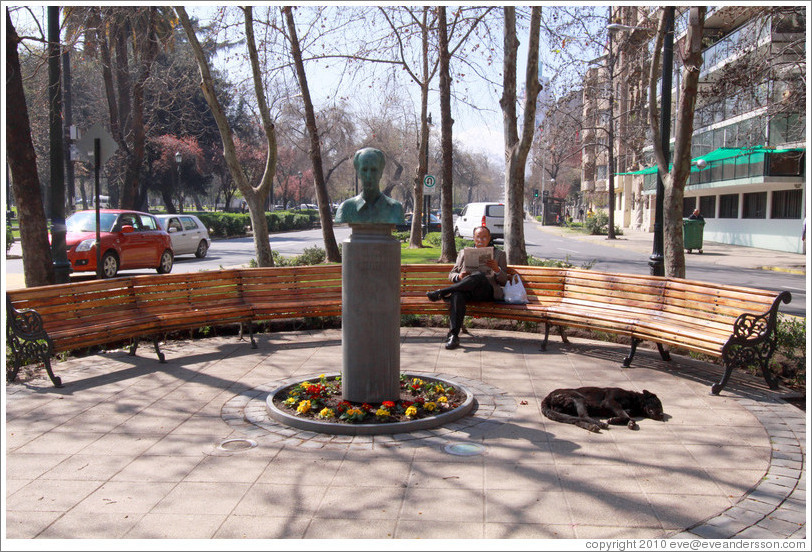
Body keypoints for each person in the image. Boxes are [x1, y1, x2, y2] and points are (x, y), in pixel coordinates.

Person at [426, 226, 509, 350]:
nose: (481, 240)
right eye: (478, 237)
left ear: (489, 238)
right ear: (474, 238)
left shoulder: (499, 254)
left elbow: (504, 281)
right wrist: (459, 277)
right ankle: (453, 336)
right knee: (457, 295)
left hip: (487, 292)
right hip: (468, 291)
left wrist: (497, 270)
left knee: (479, 276)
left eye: (484, 237)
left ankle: (442, 292)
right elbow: (451, 274)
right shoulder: (464, 253)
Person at [335, 147, 404, 224]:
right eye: (364, 170)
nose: (369, 175)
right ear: (358, 173)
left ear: (380, 173)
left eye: (373, 170)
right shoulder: (345, 210)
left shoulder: (395, 209)